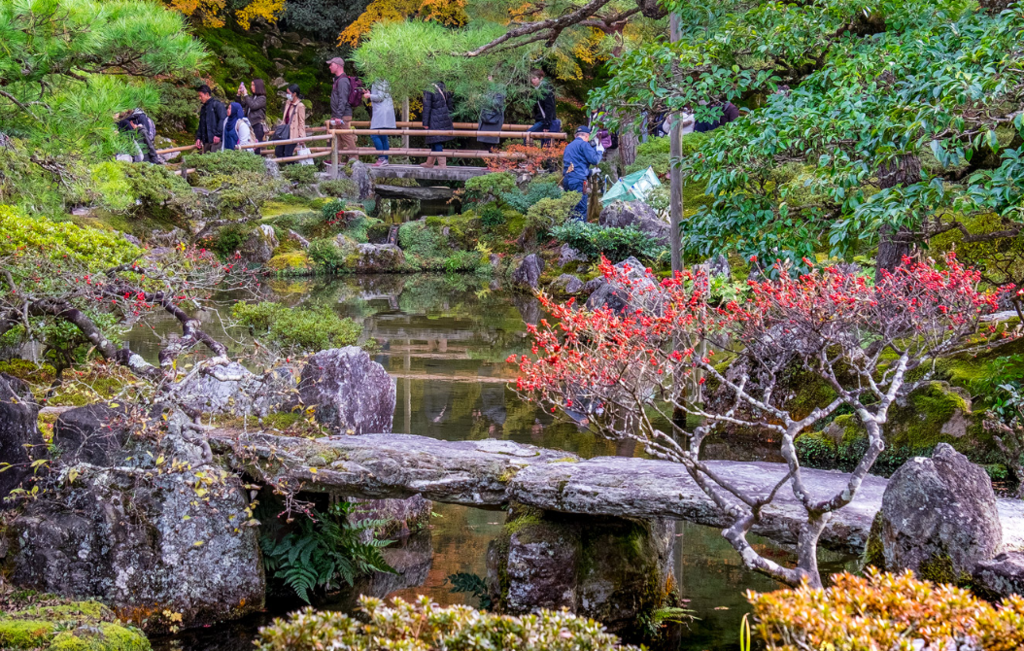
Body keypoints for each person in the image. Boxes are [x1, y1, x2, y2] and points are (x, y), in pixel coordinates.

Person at [561, 125, 604, 221]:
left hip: (567, 180)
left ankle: (570, 232)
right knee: (580, 209)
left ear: (576, 135)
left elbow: (574, 165)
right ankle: (579, 234)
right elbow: (595, 160)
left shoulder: (568, 146)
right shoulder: (584, 145)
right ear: (587, 136)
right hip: (578, 181)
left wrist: (591, 172)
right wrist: (600, 151)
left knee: (571, 208)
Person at [327, 57, 359, 163]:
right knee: (338, 138)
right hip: (339, 114)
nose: (329, 67)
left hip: (343, 115)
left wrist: (338, 116)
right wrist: (335, 115)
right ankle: (336, 160)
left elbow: (343, 99)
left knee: (346, 137)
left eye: (331, 64)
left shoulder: (343, 81)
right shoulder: (339, 80)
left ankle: (354, 160)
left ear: (337, 65)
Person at [421, 81, 454, 169]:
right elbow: (450, 104)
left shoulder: (429, 88)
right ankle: (429, 162)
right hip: (444, 116)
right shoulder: (444, 86)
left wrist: (425, 123)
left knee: (436, 140)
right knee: (434, 140)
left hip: (434, 118)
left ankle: (442, 164)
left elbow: (427, 107)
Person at [363, 79, 395, 167]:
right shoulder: (384, 79)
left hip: (381, 111)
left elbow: (380, 97)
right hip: (385, 110)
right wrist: (370, 93)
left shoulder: (378, 80)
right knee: (383, 136)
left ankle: (382, 158)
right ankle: (385, 159)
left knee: (374, 134)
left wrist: (369, 95)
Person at [275, 84, 306, 162]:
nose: (287, 95)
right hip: (284, 132)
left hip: (293, 133)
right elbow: (285, 118)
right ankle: (289, 168)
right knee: (278, 152)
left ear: (294, 93)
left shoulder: (300, 106)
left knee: (288, 154)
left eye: (288, 93)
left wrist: (302, 137)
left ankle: (291, 170)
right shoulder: (288, 103)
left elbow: (302, 122)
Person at [526, 69, 558, 146]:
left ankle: (529, 154)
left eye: (534, 78)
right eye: (531, 78)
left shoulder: (546, 89)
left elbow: (549, 107)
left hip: (546, 120)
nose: (532, 80)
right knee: (544, 142)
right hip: (542, 120)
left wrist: (547, 124)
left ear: (541, 78)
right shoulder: (537, 89)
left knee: (528, 134)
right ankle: (535, 155)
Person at [195, 84, 226, 153]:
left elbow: (222, 119)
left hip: (216, 141)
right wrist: (198, 138)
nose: (200, 98)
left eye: (201, 96)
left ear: (207, 94)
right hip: (206, 140)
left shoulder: (217, 105)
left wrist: (218, 135)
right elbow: (201, 124)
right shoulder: (203, 108)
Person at [238, 78, 267, 153]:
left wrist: (245, 94)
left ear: (258, 86)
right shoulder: (251, 97)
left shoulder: (262, 98)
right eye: (251, 85)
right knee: (248, 147)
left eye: (253, 85)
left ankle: (256, 163)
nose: (251, 87)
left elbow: (253, 106)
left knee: (256, 148)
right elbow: (241, 105)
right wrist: (238, 95)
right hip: (248, 125)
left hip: (257, 125)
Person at [477, 76, 505, 151]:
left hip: (493, 119)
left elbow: (496, 103)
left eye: (490, 77)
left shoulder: (500, 89)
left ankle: (495, 161)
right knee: (486, 144)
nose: (488, 78)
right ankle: (492, 161)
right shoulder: (490, 89)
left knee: (490, 144)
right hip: (486, 118)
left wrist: (483, 98)